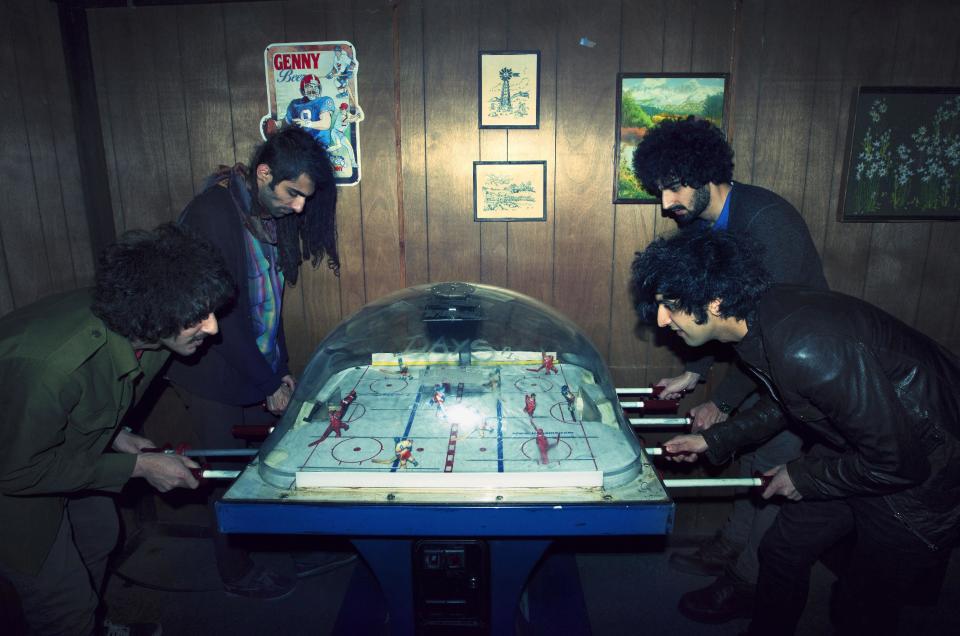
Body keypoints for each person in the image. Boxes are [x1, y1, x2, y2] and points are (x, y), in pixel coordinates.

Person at [631, 229, 960, 634]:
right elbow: (794, 402)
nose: (662, 320)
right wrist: (714, 439)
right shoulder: (756, 321)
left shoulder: (804, 347)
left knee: (861, 606)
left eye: (672, 305)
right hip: (859, 452)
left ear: (714, 302)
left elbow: (900, 462)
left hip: (924, 477)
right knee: (782, 549)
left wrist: (803, 476)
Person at [631, 116, 828, 622]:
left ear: (706, 174)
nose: (665, 203)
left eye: (674, 187)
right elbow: (706, 309)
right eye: (660, 189)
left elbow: (765, 330)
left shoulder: (768, 223)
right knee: (751, 459)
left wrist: (722, 401)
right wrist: (694, 373)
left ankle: (747, 580)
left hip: (800, 367)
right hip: (765, 362)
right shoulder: (702, 223)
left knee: (773, 468)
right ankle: (731, 549)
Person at [0, 224, 234, 636]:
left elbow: (92, 400)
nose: (213, 327)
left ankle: (93, 623)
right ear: (151, 315)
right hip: (12, 479)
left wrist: (118, 436)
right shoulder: (54, 366)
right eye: (198, 316)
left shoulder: (151, 333)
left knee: (101, 533)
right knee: (62, 600)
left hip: (60, 450)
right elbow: (16, 470)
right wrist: (139, 468)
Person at [166, 126, 349, 599]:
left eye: (305, 198)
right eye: (292, 194)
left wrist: (282, 367)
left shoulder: (264, 212)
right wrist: (267, 380)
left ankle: (279, 547)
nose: (299, 207)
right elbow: (222, 320)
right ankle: (235, 570)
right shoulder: (212, 214)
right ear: (265, 173)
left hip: (253, 363)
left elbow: (268, 303)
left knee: (268, 463)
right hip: (211, 372)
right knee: (226, 476)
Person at [284, 74, 335, 147]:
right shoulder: (295, 104)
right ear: (302, 89)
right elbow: (286, 122)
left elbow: (326, 123)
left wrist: (306, 124)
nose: (313, 90)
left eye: (315, 87)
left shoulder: (324, 100)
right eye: (309, 87)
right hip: (302, 144)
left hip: (320, 144)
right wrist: (277, 124)